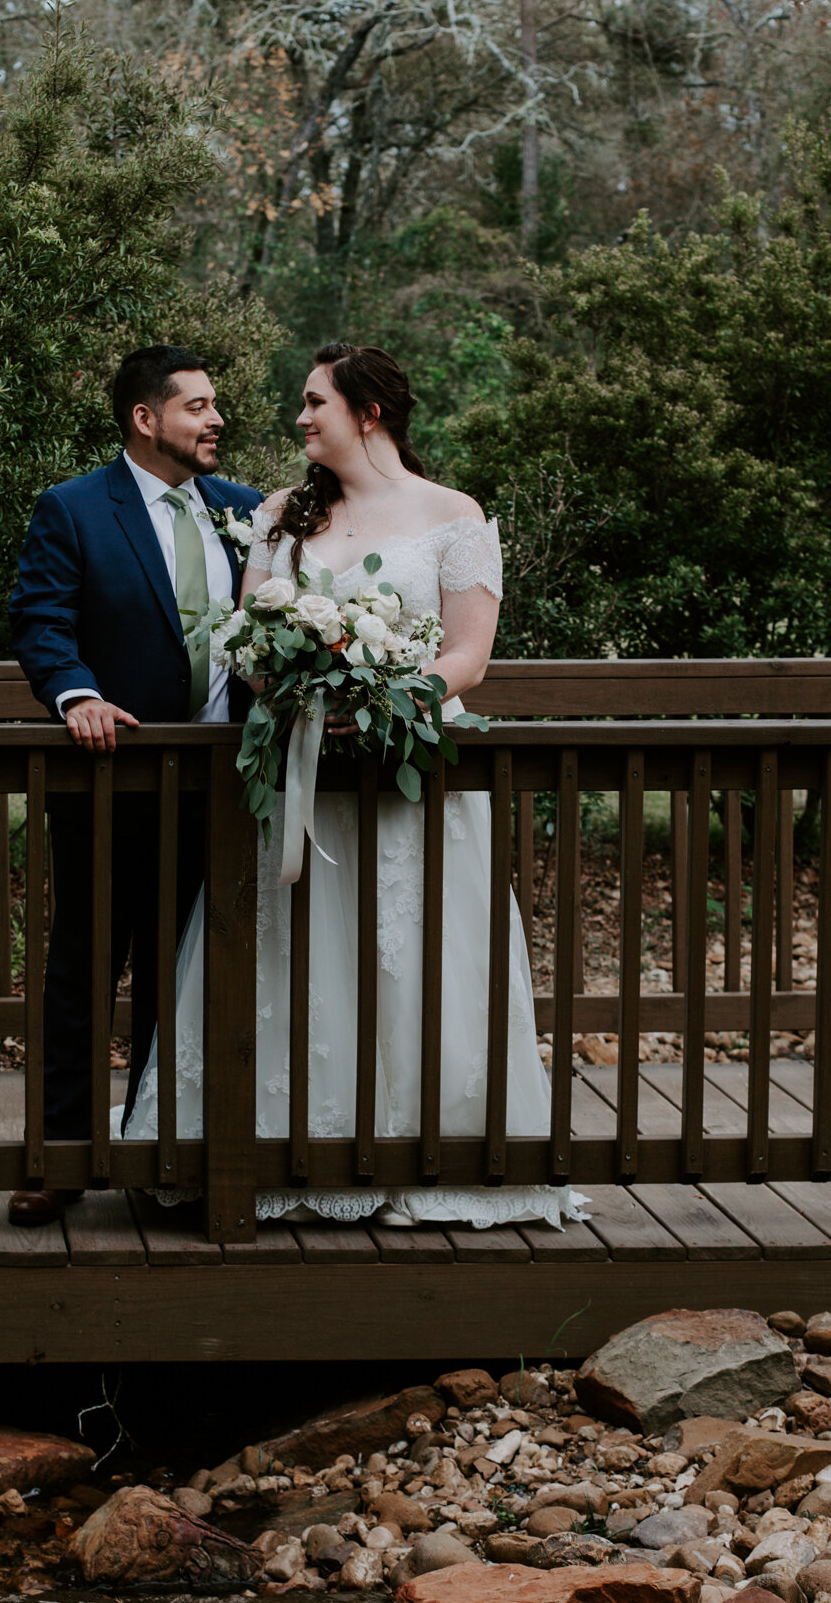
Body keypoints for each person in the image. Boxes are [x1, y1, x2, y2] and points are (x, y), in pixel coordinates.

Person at [122, 341, 584, 1229]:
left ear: (367, 412)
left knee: (418, 950)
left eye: (313, 402)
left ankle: (432, 1147)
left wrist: (388, 696)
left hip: (412, 770)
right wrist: (292, 685)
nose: (298, 418)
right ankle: (273, 1147)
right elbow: (244, 637)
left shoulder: (454, 515)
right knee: (294, 949)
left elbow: (468, 656)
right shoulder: (280, 514)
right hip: (295, 764)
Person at [6, 346, 260, 1226]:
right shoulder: (74, 509)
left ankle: (164, 1156)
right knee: (84, 966)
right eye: (196, 407)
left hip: (224, 787)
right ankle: (61, 1158)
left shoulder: (249, 511)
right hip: (110, 779)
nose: (215, 419)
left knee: (183, 974)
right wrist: (76, 694)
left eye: (214, 405)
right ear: (145, 420)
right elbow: (42, 620)